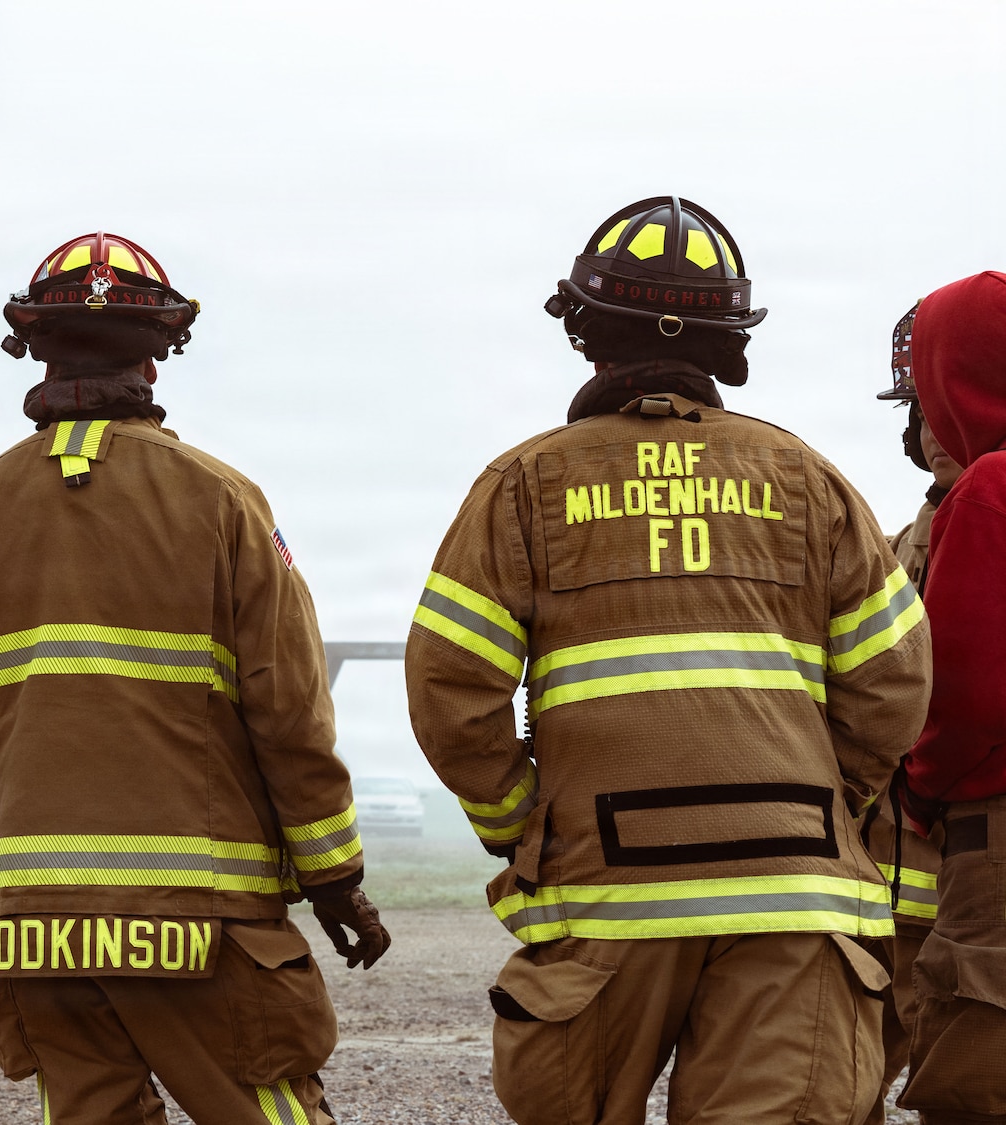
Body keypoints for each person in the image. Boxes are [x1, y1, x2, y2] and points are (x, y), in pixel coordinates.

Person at [404, 196, 933, 1124]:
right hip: (794, 899)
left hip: (606, 899)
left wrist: (524, 825)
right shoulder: (809, 482)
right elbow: (893, 679)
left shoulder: (522, 487)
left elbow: (450, 686)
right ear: (731, 343)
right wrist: (827, 804)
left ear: (585, 333)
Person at [0, 231, 390, 1125]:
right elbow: (290, 711)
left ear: (33, 344)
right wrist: (334, 878)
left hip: (29, 930)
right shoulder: (223, 501)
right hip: (201, 922)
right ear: (160, 351)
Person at [895, 270, 1006, 1124]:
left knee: (976, 1077)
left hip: (991, 838)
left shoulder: (990, 487)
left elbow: (963, 687)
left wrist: (917, 782)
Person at [861, 300, 955, 1123]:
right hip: (894, 893)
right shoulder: (904, 541)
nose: (924, 432)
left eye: (933, 408)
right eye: (915, 412)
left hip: (965, 883)